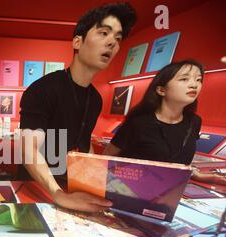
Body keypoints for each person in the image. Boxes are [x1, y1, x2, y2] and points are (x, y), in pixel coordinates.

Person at [19, 3, 137, 213]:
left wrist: (103, 184)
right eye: (103, 33)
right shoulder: (42, 89)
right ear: (77, 41)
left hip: (71, 190)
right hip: (36, 190)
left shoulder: (96, 99)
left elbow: (84, 144)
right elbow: (29, 151)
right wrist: (59, 195)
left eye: (117, 39)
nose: (112, 43)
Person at [103, 60, 226, 185]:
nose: (194, 85)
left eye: (198, 80)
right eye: (184, 79)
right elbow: (106, 159)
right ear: (161, 90)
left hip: (171, 193)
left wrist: (197, 175)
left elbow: (179, 163)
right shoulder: (138, 122)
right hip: (133, 191)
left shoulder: (194, 122)